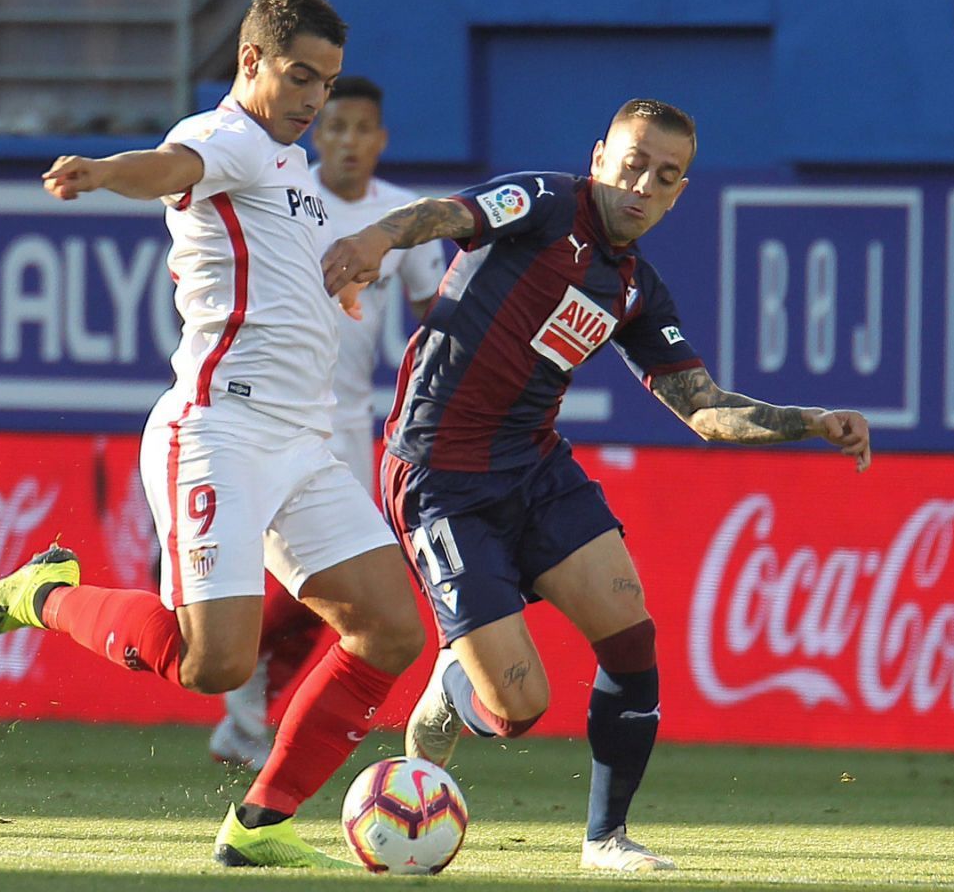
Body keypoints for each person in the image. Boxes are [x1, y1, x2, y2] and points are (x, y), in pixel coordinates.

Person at [322, 98, 872, 873]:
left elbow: (704, 411)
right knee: (519, 709)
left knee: (630, 632)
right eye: (633, 162)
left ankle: (604, 840)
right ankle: (456, 683)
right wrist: (374, 239)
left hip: (534, 467)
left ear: (680, 193)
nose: (643, 184)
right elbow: (449, 213)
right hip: (440, 474)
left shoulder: (636, 290)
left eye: (666, 176)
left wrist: (809, 420)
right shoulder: (546, 204)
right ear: (599, 155)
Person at [0, 0, 425, 870]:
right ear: (250, 62)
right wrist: (101, 174)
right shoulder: (227, 138)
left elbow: (279, 271)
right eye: (299, 77)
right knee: (213, 665)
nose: (315, 100)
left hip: (303, 445)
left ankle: (261, 824)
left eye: (325, 82)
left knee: (391, 631)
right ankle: (40, 594)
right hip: (218, 433)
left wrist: (338, 288)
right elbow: (169, 166)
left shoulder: (291, 167)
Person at [209, 76, 446, 770]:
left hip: (346, 427)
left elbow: (434, 311)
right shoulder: (286, 197)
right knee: (297, 590)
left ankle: (250, 716)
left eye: (360, 129)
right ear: (320, 134)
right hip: (264, 413)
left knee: (334, 593)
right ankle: (244, 703)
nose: (346, 141)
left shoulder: (402, 216)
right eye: (334, 126)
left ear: (380, 139)